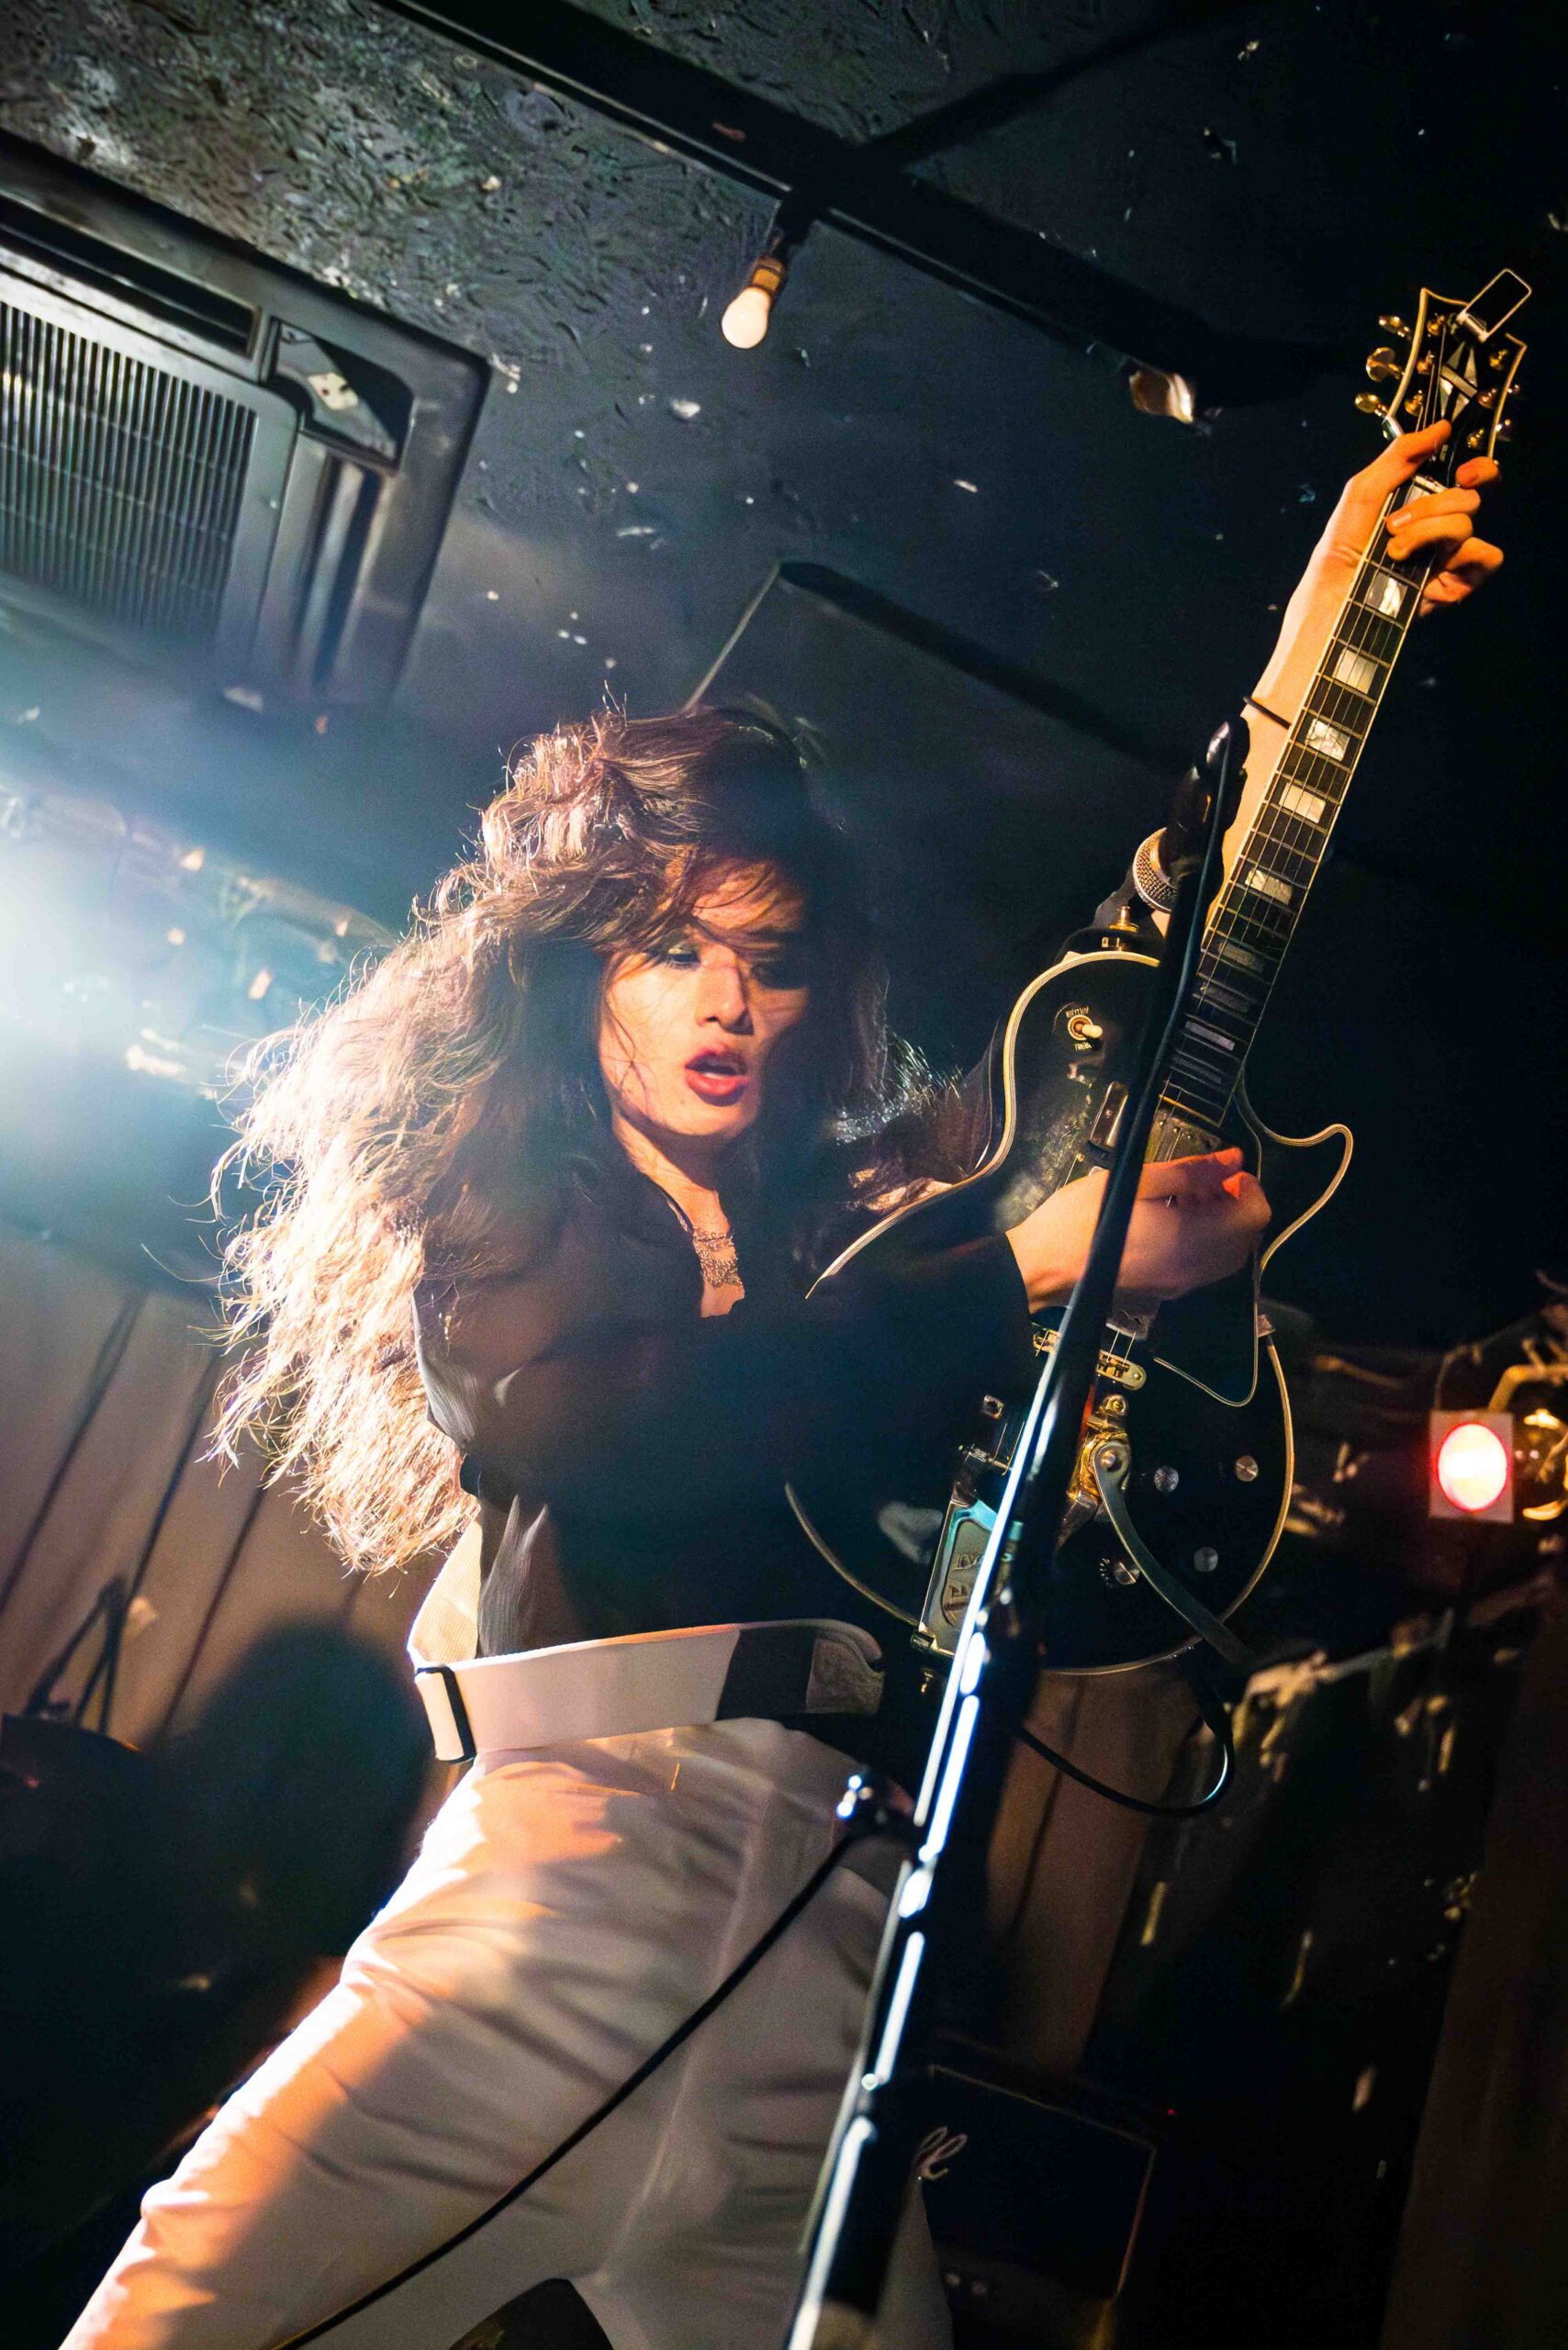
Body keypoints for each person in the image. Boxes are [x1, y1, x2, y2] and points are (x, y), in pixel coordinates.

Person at [63, 424, 1500, 2350]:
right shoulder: (508, 1210)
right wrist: (1025, 1269)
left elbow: (1147, 971)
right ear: (583, 971)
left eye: (774, 958)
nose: (729, 1001)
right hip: (552, 1922)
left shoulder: (863, 1228)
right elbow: (606, 1430)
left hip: (829, 1951)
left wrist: (1329, 627)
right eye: (673, 949)